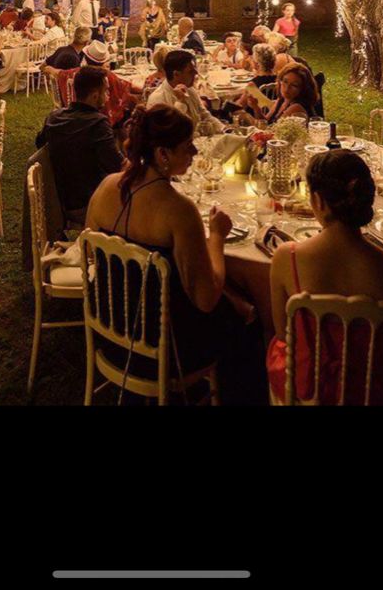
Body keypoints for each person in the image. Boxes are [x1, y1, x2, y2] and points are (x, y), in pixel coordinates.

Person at [86, 105, 267, 404]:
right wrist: (218, 238)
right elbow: (206, 299)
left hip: (110, 328)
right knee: (247, 313)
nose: (195, 152)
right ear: (162, 154)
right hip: (165, 347)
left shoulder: (107, 186)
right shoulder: (179, 211)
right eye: (187, 147)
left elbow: (92, 251)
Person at [267, 149, 383, 405]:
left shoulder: (287, 257)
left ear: (318, 200)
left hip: (311, 389)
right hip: (377, 392)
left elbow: (283, 334)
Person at [36, 65, 123, 227]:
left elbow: (39, 145)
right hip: (89, 203)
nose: (108, 95)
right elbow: (117, 166)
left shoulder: (54, 117)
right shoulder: (98, 123)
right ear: (95, 95)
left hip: (59, 199)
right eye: (106, 91)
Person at [147, 49, 224, 135]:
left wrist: (224, 129)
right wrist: (180, 102)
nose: (196, 73)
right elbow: (172, 132)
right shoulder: (158, 100)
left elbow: (205, 116)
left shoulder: (190, 90)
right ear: (176, 74)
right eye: (191, 71)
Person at [239, 62, 319, 127]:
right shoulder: (282, 100)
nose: (287, 88)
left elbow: (271, 132)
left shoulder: (296, 107)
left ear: (303, 88)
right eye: (285, 81)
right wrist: (256, 107)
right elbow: (265, 123)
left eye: (294, 85)